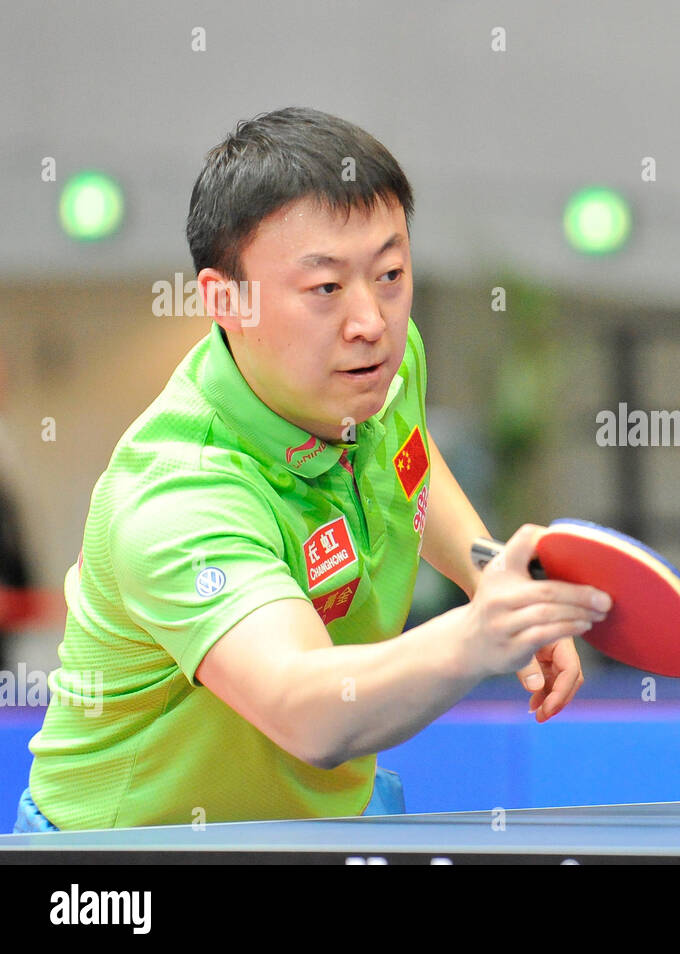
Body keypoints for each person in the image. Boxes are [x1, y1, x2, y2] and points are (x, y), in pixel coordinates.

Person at [16, 107, 609, 832]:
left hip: (337, 812)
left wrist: (482, 567)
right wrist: (479, 635)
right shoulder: (180, 493)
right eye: (326, 288)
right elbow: (306, 712)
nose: (372, 322)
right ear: (225, 300)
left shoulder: (380, 369)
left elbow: (410, 455)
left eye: (390, 274)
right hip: (139, 847)